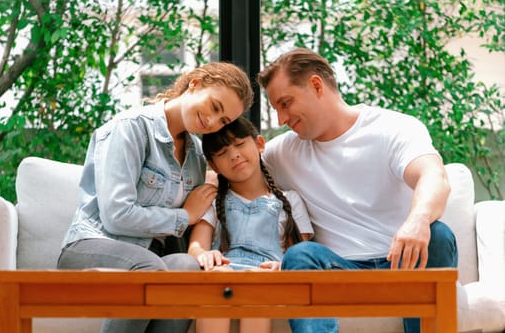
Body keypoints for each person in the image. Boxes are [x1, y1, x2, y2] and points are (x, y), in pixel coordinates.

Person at [256, 48, 458, 333]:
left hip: (404, 265)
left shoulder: (392, 128)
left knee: (438, 234)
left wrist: (418, 219)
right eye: (276, 109)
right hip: (340, 273)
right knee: (300, 255)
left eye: (285, 104)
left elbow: (434, 176)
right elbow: (231, 168)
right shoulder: (284, 151)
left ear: (316, 85)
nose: (281, 119)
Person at [57, 62, 254, 333]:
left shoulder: (196, 156)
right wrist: (185, 216)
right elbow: (116, 216)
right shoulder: (130, 128)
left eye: (223, 121)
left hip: (153, 256)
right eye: (215, 106)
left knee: (186, 266)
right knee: (149, 268)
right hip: (95, 243)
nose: (211, 122)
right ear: (195, 84)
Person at [188, 116, 314, 333]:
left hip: (267, 277)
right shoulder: (215, 202)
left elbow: (298, 256)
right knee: (219, 278)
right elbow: (196, 246)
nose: (234, 155)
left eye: (239, 144)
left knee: (258, 281)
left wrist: (282, 267)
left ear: (259, 144)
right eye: (222, 153)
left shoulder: (289, 200)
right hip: (225, 272)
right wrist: (203, 255)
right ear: (213, 165)